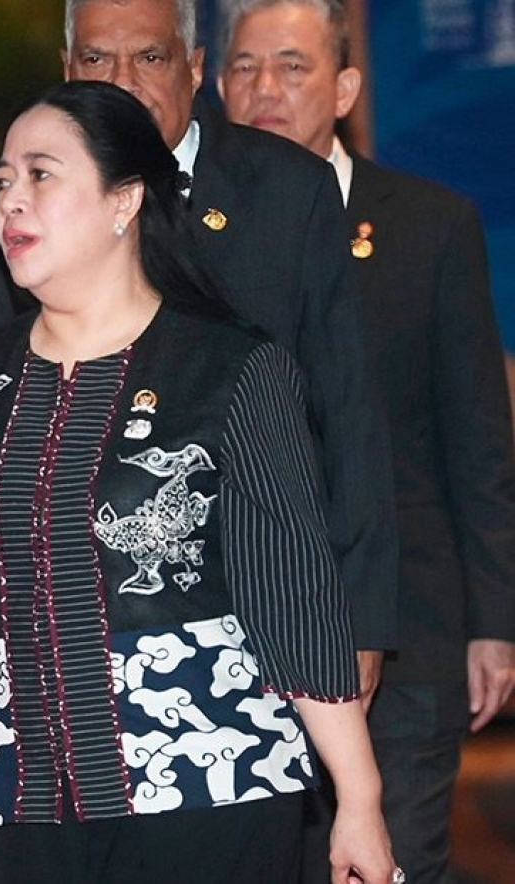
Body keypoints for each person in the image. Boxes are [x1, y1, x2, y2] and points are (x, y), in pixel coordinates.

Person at [0, 79, 400, 884]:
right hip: (24, 801)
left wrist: (359, 800)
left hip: (215, 795)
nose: (12, 200)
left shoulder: (231, 370)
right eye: (2, 181)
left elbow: (293, 596)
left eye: (42, 174)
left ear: (125, 201)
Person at [0, 0, 398, 710]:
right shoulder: (8, 198)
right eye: (96, 59)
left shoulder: (288, 190)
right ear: (67, 71)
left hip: (272, 599)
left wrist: (363, 619)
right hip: (72, 614)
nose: (122, 79)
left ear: (193, 70)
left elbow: (346, 410)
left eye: (150, 58)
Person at [218, 2, 515, 881]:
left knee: (395, 859)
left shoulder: (429, 225)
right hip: (237, 632)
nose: (264, 88)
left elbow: (477, 439)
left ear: (346, 87)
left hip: (408, 624)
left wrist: (494, 624)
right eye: (243, 68)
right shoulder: (179, 232)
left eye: (292, 66)